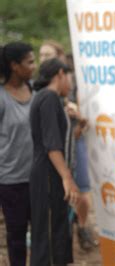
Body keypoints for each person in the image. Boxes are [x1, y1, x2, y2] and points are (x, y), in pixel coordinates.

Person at [39, 41, 97, 251]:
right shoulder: (42, 90)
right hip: (54, 148)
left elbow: (84, 124)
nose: (43, 59)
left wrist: (78, 119)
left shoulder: (72, 85)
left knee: (80, 191)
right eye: (41, 55)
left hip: (74, 142)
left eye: (48, 54)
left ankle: (81, 228)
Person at [29, 58, 80, 266]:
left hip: (52, 174)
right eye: (69, 78)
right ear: (60, 74)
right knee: (49, 236)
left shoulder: (49, 99)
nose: (71, 84)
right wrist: (67, 177)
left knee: (57, 231)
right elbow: (52, 145)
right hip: (49, 176)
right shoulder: (48, 98)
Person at [0, 41, 36, 266]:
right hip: (12, 181)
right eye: (29, 62)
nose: (34, 66)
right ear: (14, 65)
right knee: (17, 238)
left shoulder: (37, 91)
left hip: (38, 178)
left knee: (43, 234)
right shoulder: (3, 98)